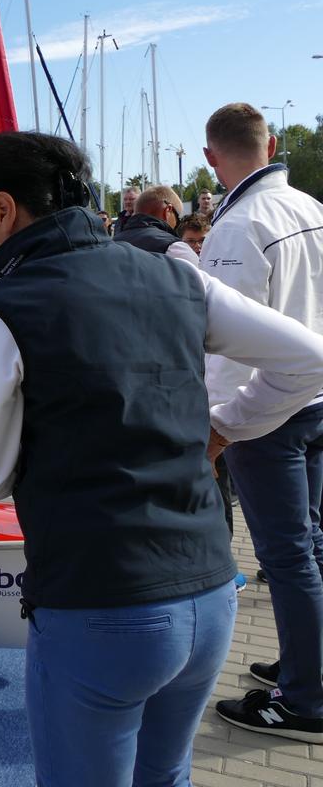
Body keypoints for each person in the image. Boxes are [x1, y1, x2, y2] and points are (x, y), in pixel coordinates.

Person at [0, 131, 323, 782]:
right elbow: (309, 359)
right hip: (209, 597)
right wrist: (223, 429)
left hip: (100, 606)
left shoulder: (4, 309)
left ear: (4, 209)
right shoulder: (177, 277)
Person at [200, 102, 323, 742]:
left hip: (268, 412)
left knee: (289, 556)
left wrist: (218, 430)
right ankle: (310, 665)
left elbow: (226, 349)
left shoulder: (237, 226)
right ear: (270, 142)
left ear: (210, 156)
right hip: (315, 403)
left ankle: (306, 699)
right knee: (310, 547)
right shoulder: (310, 208)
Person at [112, 184, 199, 264]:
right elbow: (197, 279)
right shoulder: (175, 249)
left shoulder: (110, 245)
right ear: (168, 211)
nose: (177, 223)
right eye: (177, 218)